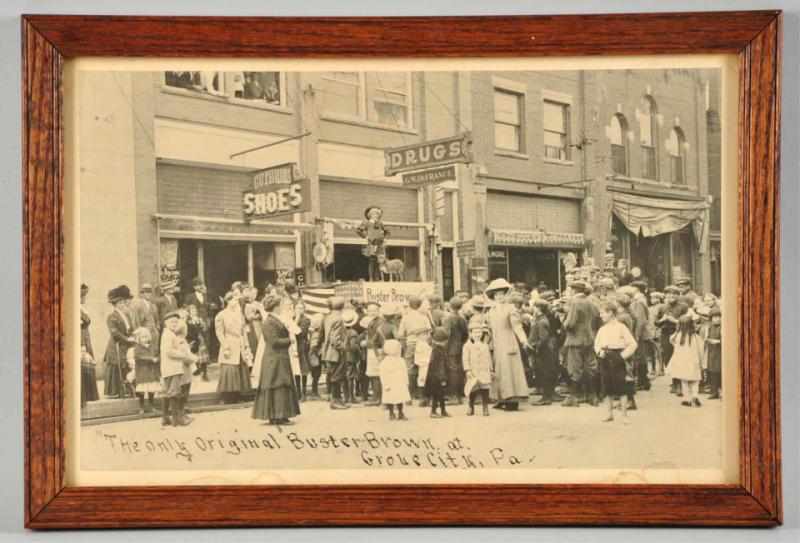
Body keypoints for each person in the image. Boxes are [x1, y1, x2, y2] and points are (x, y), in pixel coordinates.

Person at [252, 295, 301, 425]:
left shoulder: (274, 320)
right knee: (277, 385)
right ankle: (276, 415)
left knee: (281, 384)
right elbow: (273, 341)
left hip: (279, 357)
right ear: (275, 307)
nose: (281, 308)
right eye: (279, 305)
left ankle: (281, 414)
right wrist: (289, 340)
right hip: (274, 358)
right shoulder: (268, 322)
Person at [484, 278, 530, 411]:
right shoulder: (491, 311)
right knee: (499, 371)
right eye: (497, 295)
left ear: (506, 295)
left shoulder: (511, 309)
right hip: (497, 343)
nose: (499, 297)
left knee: (510, 371)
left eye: (502, 294)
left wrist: (523, 340)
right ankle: (501, 398)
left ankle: (512, 400)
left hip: (508, 341)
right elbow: (489, 328)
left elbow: (517, 326)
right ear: (493, 296)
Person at [594, 302, 638, 423]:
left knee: (621, 387)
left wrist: (622, 356)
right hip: (605, 358)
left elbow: (633, 344)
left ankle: (624, 415)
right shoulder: (602, 329)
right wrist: (599, 352)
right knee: (606, 386)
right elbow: (596, 344)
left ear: (611, 313)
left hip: (617, 357)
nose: (600, 315)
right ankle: (609, 414)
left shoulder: (621, 327)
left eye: (603, 313)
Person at [562, 280, 600, 407]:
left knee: (574, 368)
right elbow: (596, 318)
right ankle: (592, 396)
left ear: (574, 290)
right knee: (590, 367)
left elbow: (570, 323)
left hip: (575, 339)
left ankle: (573, 397)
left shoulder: (574, 302)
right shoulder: (591, 302)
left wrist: (564, 323)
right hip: (589, 339)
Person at [160, 311, 197, 426]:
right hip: (173, 368)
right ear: (166, 323)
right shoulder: (168, 335)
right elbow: (169, 352)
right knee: (174, 393)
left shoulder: (170, 334)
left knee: (171, 392)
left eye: (176, 322)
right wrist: (184, 355)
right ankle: (178, 420)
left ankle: (169, 418)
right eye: (172, 322)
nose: (174, 324)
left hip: (173, 368)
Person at [215, 292, 252, 404]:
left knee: (241, 368)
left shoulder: (239, 314)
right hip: (229, 343)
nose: (236, 303)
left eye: (237, 301)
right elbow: (219, 332)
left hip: (239, 343)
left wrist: (246, 345)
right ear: (228, 301)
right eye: (234, 300)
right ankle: (227, 396)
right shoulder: (221, 315)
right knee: (229, 369)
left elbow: (243, 331)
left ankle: (239, 394)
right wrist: (225, 345)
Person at [397, 295, 433, 402]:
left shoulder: (406, 317)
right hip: (423, 344)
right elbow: (430, 332)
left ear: (409, 305)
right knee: (423, 369)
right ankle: (422, 395)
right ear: (419, 305)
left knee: (410, 369)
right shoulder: (424, 317)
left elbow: (400, 334)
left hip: (411, 345)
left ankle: (410, 395)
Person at [102, 285, 136, 399]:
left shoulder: (126, 315)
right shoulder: (111, 316)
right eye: (119, 303)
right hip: (116, 345)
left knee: (127, 365)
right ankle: (115, 392)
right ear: (115, 305)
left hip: (126, 345)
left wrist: (134, 336)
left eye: (123, 302)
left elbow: (130, 329)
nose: (122, 305)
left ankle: (127, 390)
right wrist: (127, 339)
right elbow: (115, 333)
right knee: (117, 366)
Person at [667, 315, 705, 407]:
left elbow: (671, 340)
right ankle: (695, 396)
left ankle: (686, 399)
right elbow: (701, 350)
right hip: (693, 362)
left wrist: (676, 331)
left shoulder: (678, 336)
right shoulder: (696, 337)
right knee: (695, 380)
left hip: (682, 363)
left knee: (684, 380)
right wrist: (701, 362)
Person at [656, 286, 687, 395]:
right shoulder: (662, 307)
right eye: (669, 295)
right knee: (668, 358)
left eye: (674, 294)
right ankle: (674, 382)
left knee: (678, 358)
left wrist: (674, 321)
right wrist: (662, 320)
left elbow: (687, 321)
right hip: (665, 335)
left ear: (678, 296)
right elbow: (656, 322)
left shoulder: (683, 307)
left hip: (678, 334)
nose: (671, 297)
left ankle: (678, 384)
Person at [529, 299, 559, 405]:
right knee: (546, 372)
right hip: (544, 350)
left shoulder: (541, 321)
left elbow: (543, 338)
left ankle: (546, 398)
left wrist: (536, 347)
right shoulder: (540, 319)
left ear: (538, 308)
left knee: (544, 373)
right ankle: (548, 396)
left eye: (534, 307)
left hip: (543, 351)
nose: (533, 309)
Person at [321, 296, 348, 409]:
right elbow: (335, 338)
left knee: (333, 375)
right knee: (337, 376)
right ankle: (336, 401)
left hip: (328, 352)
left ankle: (335, 399)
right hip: (336, 352)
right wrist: (342, 348)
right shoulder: (339, 319)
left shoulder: (327, 317)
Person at [463, 316, 493, 417]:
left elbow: (489, 358)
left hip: (484, 370)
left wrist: (491, 369)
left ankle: (485, 407)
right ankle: (471, 406)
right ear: (470, 333)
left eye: (479, 333)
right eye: (475, 333)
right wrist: (467, 370)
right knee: (473, 389)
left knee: (485, 388)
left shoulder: (485, 345)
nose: (477, 335)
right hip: (473, 370)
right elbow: (465, 359)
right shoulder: (467, 346)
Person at [127, 327, 160, 415]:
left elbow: (156, 354)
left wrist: (157, 359)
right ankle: (141, 407)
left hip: (151, 372)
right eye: (142, 337)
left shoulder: (152, 346)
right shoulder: (137, 348)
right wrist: (151, 359)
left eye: (146, 337)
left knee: (151, 390)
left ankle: (152, 406)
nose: (145, 339)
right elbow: (138, 357)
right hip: (142, 372)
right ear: (138, 338)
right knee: (142, 391)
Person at [442, 296, 468, 404]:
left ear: (450, 306)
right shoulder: (462, 319)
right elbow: (465, 334)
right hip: (460, 347)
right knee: (459, 370)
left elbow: (446, 335)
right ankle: (460, 394)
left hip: (450, 348)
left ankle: (454, 396)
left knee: (452, 371)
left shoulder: (448, 319)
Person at [356, 206, 390, 282]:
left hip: (379, 244)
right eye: (374, 214)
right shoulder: (366, 223)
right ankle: (371, 278)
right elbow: (358, 230)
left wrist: (385, 238)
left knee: (379, 261)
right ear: (370, 215)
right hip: (371, 243)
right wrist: (366, 236)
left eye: (377, 215)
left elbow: (387, 231)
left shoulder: (380, 223)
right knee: (371, 261)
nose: (376, 216)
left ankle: (378, 278)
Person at [379, 339, 410, 421]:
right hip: (390, 383)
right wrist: (385, 385)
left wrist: (406, 381)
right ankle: (391, 413)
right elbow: (383, 374)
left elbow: (405, 371)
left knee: (400, 398)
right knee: (390, 399)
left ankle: (400, 412)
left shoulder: (401, 360)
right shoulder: (385, 362)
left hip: (400, 383)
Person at [80, 284, 99, 407]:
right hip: (81, 337)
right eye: (82, 296)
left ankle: (89, 394)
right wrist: (82, 344)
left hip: (86, 336)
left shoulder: (82, 309)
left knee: (87, 364)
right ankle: (84, 396)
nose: (84, 298)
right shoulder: (76, 309)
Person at [424, 327, 450, 418]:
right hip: (437, 378)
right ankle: (433, 411)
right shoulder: (437, 351)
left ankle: (443, 410)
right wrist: (443, 378)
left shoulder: (437, 349)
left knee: (441, 395)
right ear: (441, 341)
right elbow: (440, 366)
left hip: (435, 376)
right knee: (436, 395)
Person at [291, 302, 312, 401]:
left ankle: (303, 392)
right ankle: (297, 392)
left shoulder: (306, 320)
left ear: (304, 310)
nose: (299, 310)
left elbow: (300, 333)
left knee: (303, 369)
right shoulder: (292, 318)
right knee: (295, 370)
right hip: (293, 345)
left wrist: (297, 320)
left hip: (302, 346)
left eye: (301, 308)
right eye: (297, 308)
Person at [341, 309, 362, 405]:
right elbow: (353, 346)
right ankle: (351, 397)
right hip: (351, 357)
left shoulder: (341, 331)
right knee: (351, 377)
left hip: (342, 356)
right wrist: (359, 350)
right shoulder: (353, 332)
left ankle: (346, 397)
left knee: (345, 377)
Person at [186, 304, 210, 382]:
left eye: (195, 310)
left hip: (201, 339)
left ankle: (204, 374)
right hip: (194, 339)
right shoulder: (188, 321)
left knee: (203, 358)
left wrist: (203, 325)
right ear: (189, 312)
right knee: (195, 356)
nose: (194, 312)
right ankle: (196, 371)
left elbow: (205, 329)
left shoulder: (199, 319)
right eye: (192, 311)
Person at [705, 307, 722, 399]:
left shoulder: (723, 327)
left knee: (720, 371)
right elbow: (706, 337)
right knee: (712, 371)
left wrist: (719, 342)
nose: (717, 319)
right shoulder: (709, 327)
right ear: (711, 318)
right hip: (712, 352)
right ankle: (714, 391)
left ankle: (721, 390)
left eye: (719, 317)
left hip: (721, 352)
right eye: (715, 317)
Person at [307, 313, 325, 400]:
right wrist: (319, 352)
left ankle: (315, 391)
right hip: (315, 357)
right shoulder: (316, 334)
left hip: (314, 356)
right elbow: (314, 347)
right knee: (316, 374)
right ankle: (314, 391)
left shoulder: (314, 333)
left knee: (316, 375)